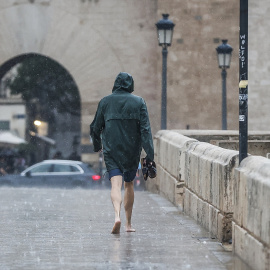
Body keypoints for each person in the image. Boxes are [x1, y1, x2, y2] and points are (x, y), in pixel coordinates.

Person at [90, 72, 154, 234]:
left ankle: (116, 216)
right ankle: (128, 224)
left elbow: (95, 127)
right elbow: (145, 130)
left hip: (112, 149)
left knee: (115, 184)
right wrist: (150, 154)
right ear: (130, 85)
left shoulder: (105, 102)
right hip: (132, 149)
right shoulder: (139, 102)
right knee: (129, 183)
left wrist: (97, 144)